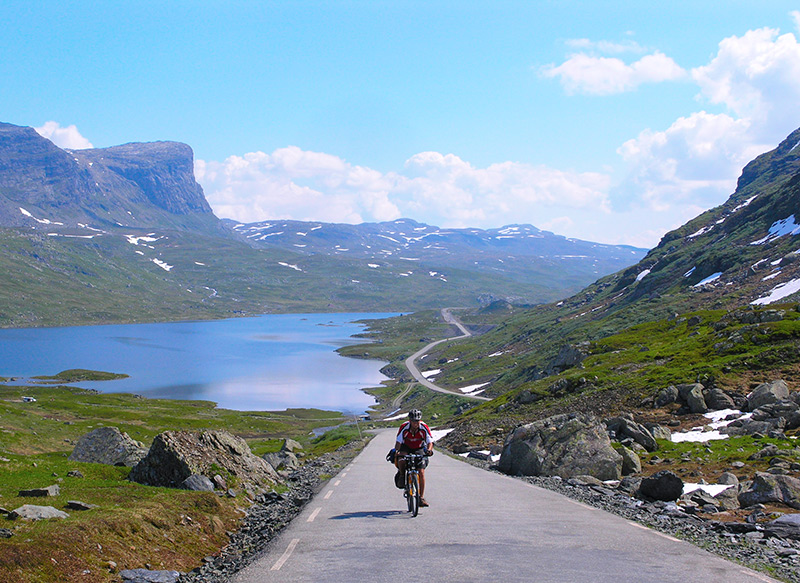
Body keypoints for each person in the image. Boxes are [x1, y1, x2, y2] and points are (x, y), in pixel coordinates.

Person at [394, 409, 434, 507]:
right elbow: (399, 441)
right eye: (413, 421)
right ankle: (402, 474)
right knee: (402, 459)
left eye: (417, 421)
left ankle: (421, 498)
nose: (415, 423)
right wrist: (397, 451)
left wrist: (429, 450)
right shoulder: (404, 427)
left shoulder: (424, 427)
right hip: (406, 447)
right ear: (410, 420)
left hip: (419, 447)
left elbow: (430, 441)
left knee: (421, 472)